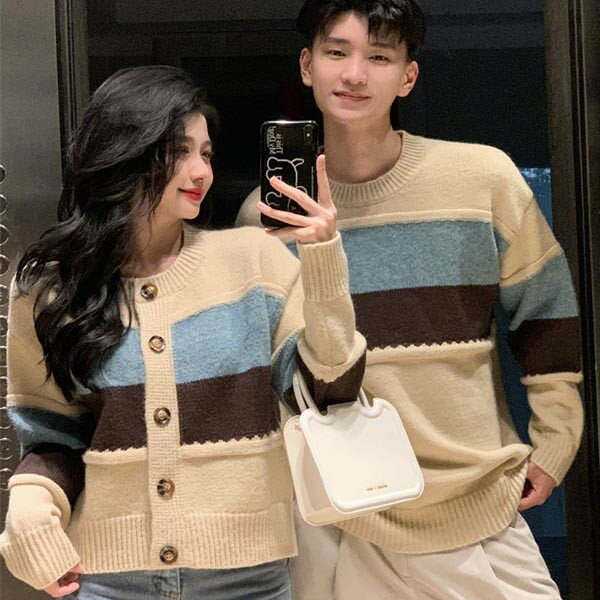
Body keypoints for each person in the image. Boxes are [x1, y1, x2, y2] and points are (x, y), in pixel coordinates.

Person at [236, 1, 583, 598]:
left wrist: (557, 439)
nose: (354, 74)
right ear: (307, 65)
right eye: (337, 52)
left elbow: (546, 312)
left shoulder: (483, 180)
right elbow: (274, 376)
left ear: (408, 76)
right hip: (333, 515)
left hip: (474, 499)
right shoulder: (267, 218)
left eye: (379, 57)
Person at [0, 65, 366, 599]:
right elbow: (53, 436)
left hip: (247, 579)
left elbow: (332, 390)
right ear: (125, 152)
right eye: (179, 151)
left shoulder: (254, 262)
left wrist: (323, 258)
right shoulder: (50, 290)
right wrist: (31, 508)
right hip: (108, 581)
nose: (201, 172)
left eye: (207, 154)